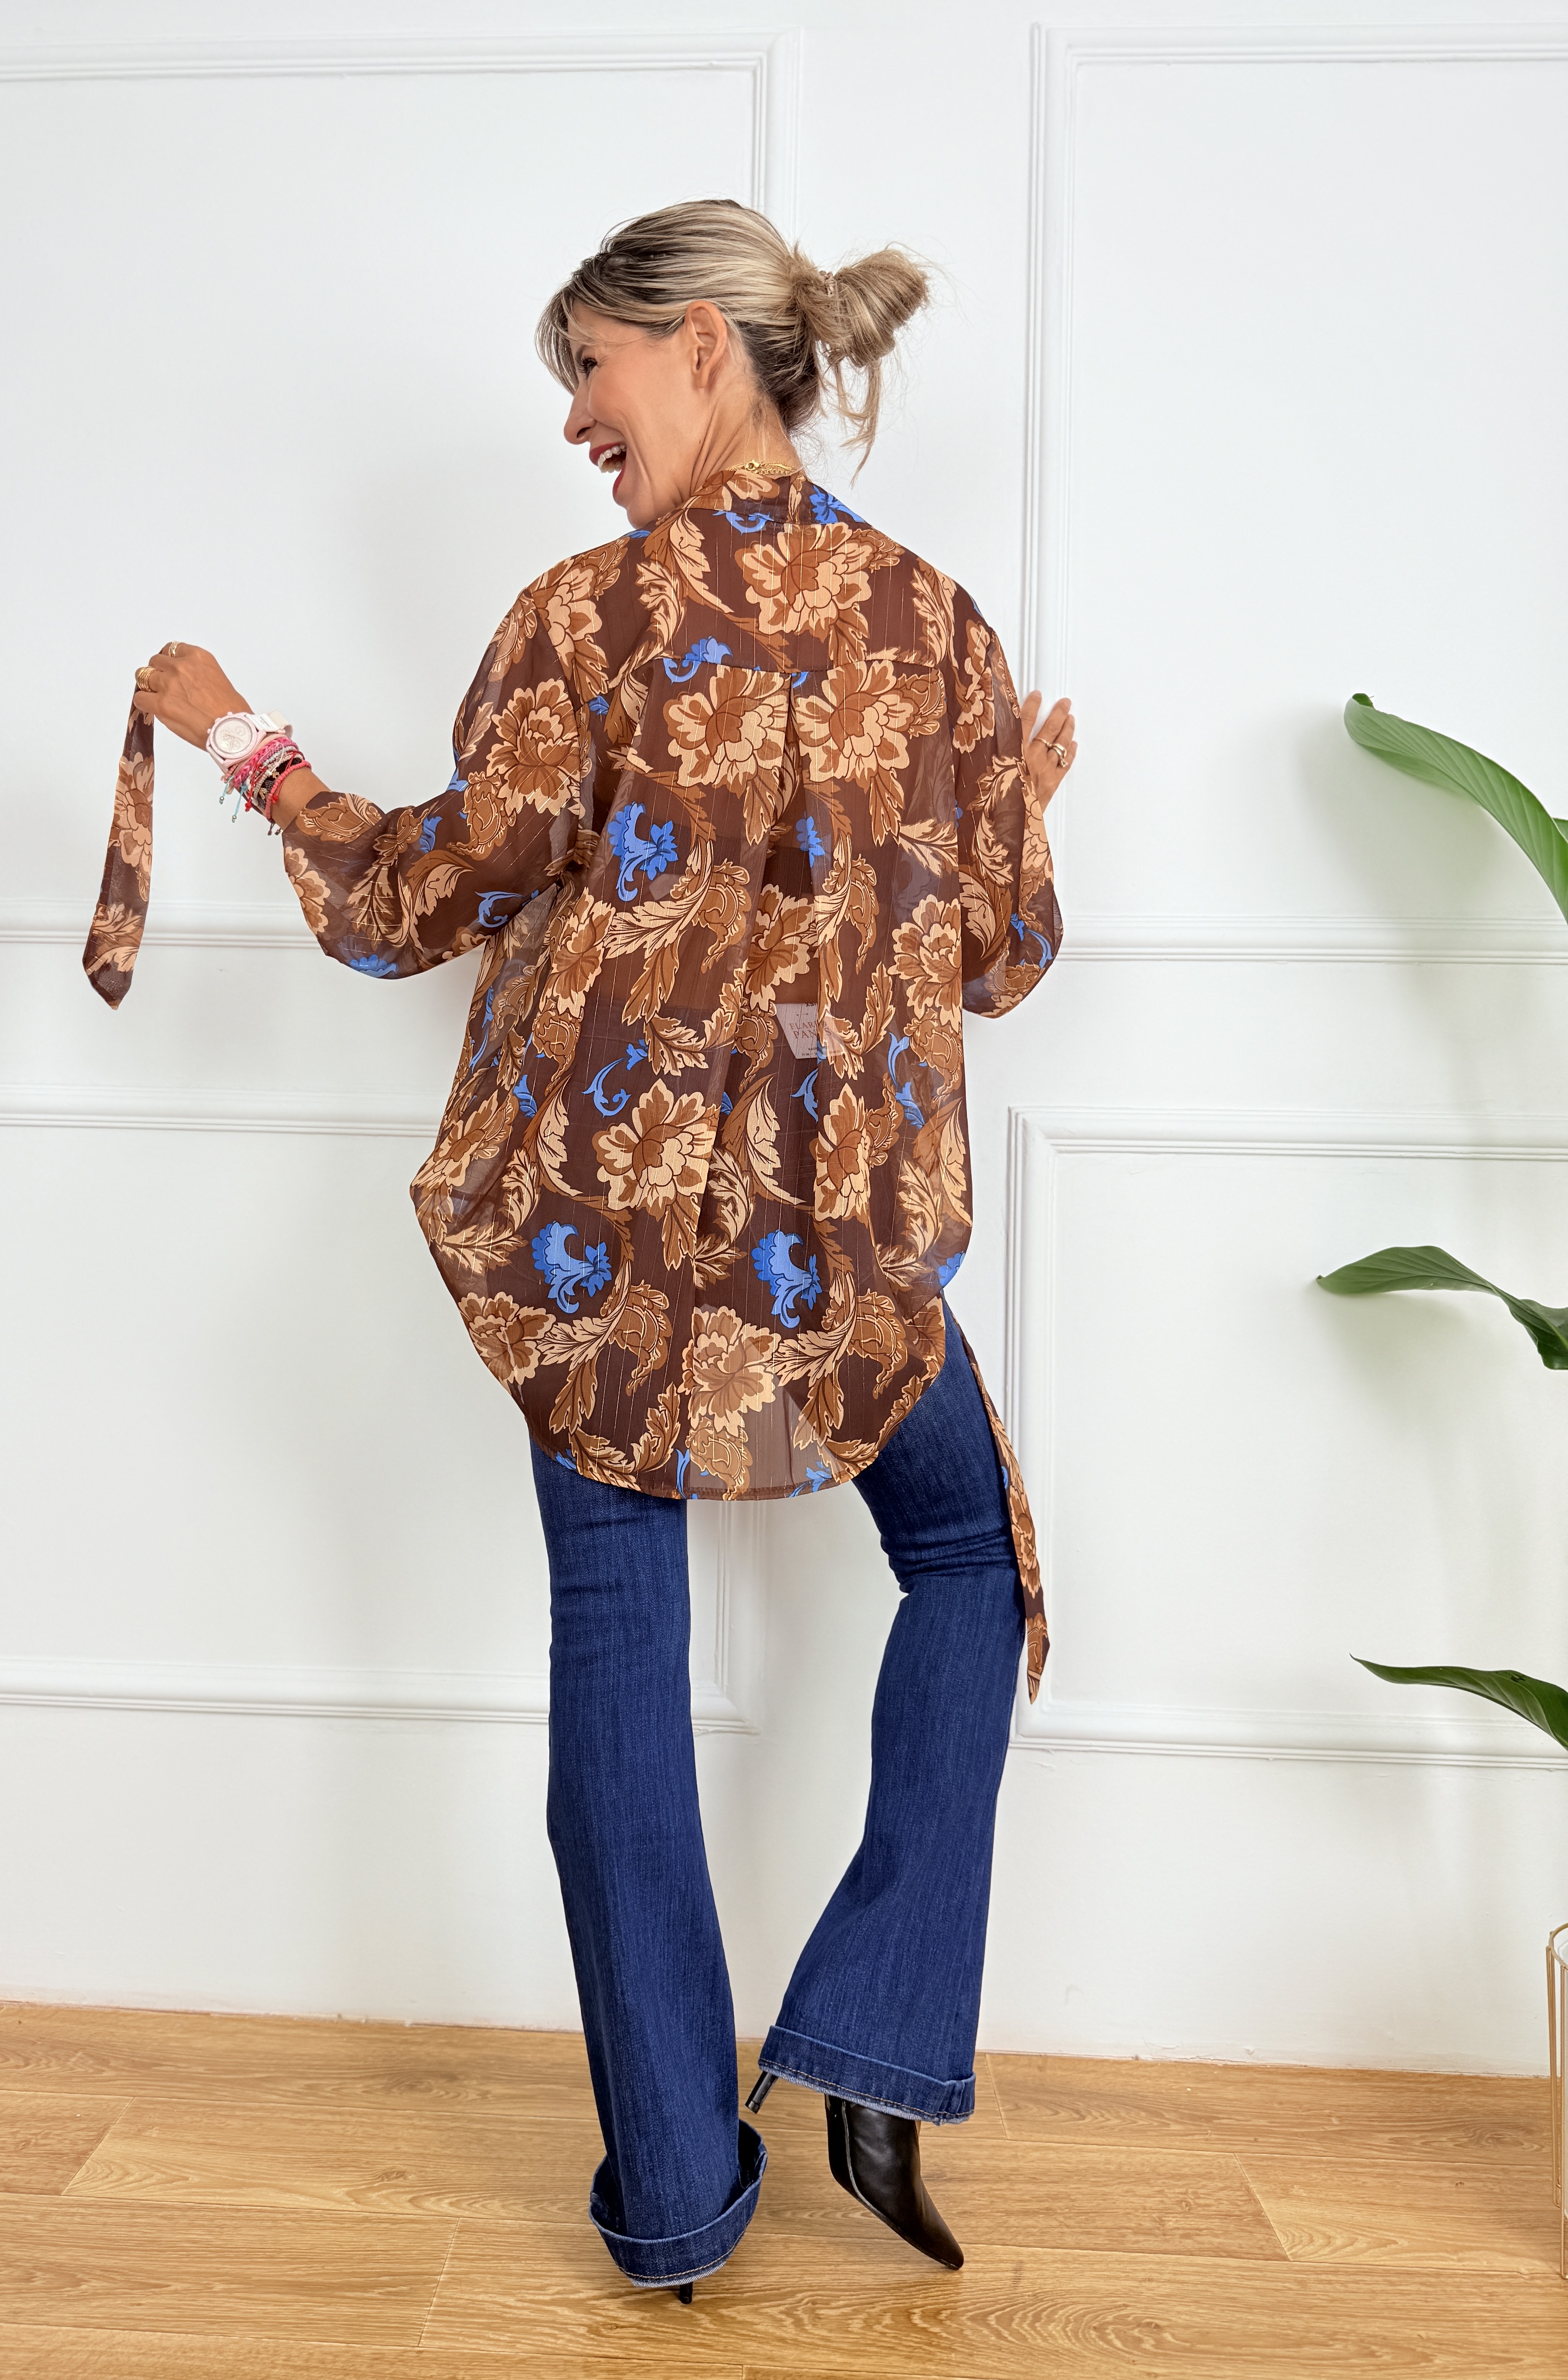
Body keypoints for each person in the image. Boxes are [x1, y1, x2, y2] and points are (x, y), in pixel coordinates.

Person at [129, 198, 1075, 2300]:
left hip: (611, 1247)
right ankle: (875, 2045)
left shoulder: (591, 617)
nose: (573, 417)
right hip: (837, 1239)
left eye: (591, 367)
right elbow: (1004, 955)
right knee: (968, 1561)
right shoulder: (937, 627)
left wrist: (247, 744)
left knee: (617, 1643)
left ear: (704, 350)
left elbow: (420, 899)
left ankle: (671, 2198)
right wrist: (1002, 798)